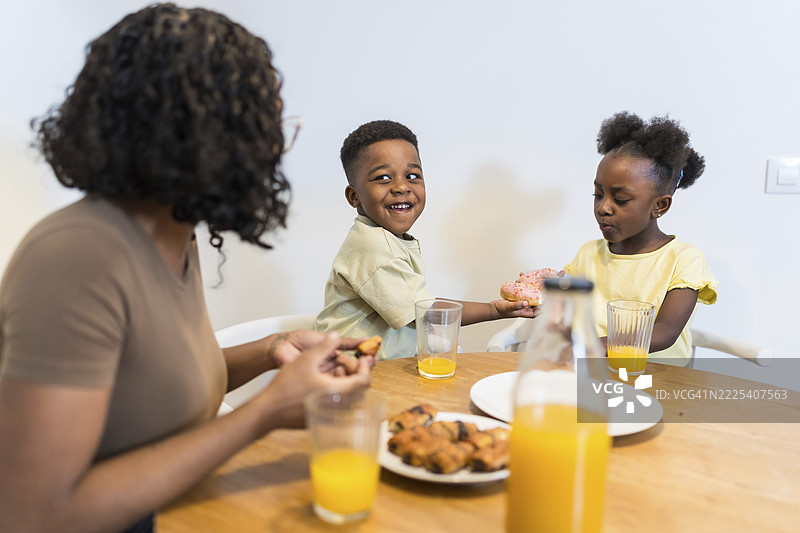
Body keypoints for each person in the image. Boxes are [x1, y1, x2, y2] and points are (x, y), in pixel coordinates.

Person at [0, 5, 373, 533]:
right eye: (258, 126)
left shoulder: (176, 231)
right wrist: (263, 414)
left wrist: (271, 353)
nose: (271, 149)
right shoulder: (77, 256)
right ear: (192, 134)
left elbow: (150, 380)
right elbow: (35, 516)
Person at [314, 120, 536, 359]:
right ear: (354, 196)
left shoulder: (387, 239)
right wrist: (494, 309)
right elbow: (426, 312)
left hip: (386, 368)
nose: (401, 186)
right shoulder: (373, 247)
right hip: (350, 372)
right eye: (383, 178)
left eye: (412, 175)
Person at [564, 111, 719, 365]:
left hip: (660, 380)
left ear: (660, 205)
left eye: (620, 199)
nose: (604, 207)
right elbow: (570, 315)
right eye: (598, 194)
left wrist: (596, 346)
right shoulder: (587, 254)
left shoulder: (684, 260)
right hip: (596, 373)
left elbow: (665, 331)